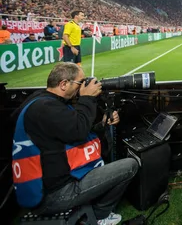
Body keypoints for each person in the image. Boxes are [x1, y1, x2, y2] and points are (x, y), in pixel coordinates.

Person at [11, 63, 138, 225]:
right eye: (81, 82)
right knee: (131, 165)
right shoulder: (45, 108)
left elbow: (75, 135)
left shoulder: (42, 102)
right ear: (63, 84)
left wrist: (103, 124)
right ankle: (101, 215)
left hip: (49, 188)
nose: (83, 86)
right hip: (54, 196)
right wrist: (87, 98)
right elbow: (77, 131)